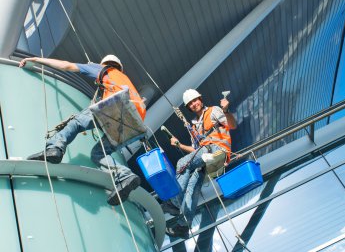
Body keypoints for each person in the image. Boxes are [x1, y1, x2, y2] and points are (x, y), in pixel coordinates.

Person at [19, 55, 145, 206]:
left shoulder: (104, 69)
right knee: (98, 154)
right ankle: (125, 176)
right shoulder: (124, 79)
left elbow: (67, 65)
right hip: (133, 120)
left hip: (116, 106)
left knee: (77, 122)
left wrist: (36, 60)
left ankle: (55, 148)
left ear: (104, 63)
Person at [164, 89, 234, 238]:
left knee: (182, 163)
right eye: (190, 103)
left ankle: (175, 203)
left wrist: (226, 110)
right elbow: (195, 151)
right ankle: (184, 226)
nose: (194, 104)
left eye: (195, 100)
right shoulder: (194, 126)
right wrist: (179, 145)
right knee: (191, 188)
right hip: (206, 155)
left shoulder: (214, 110)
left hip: (216, 149)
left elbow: (231, 124)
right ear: (188, 107)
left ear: (200, 99)